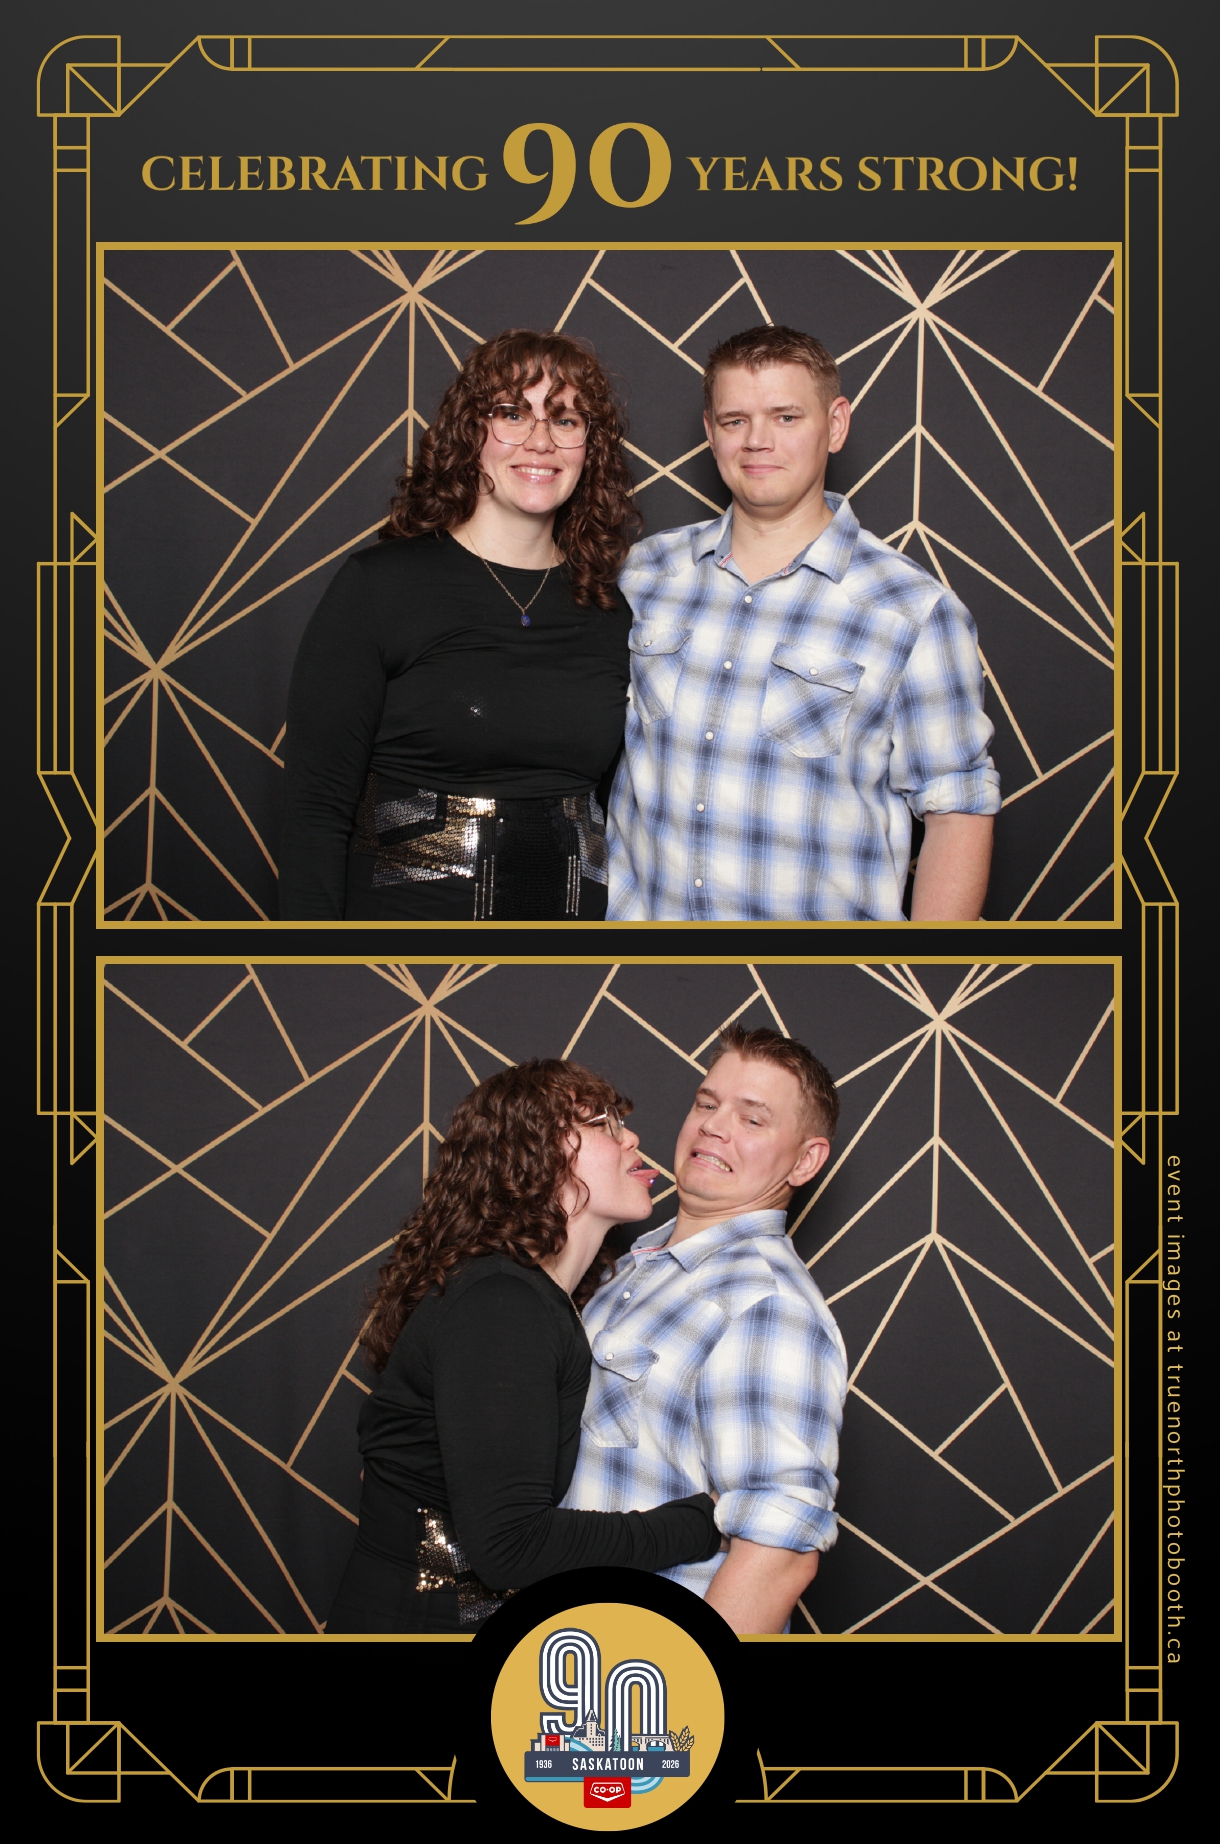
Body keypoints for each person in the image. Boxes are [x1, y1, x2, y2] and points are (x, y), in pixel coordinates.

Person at [606, 323, 1001, 921]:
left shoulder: (912, 609)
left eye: (786, 417)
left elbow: (957, 810)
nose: (756, 441)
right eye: (734, 420)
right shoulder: (645, 573)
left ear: (835, 425)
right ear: (710, 432)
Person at [325, 1060, 721, 1634]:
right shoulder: (502, 1304)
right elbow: (510, 1546)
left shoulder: (527, 1299)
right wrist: (704, 1522)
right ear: (538, 1154)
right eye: (604, 1125)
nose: (631, 1138)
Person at [279, 329, 640, 920]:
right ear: (471, 430)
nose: (541, 440)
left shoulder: (609, 610)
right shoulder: (380, 587)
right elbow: (315, 811)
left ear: (589, 447)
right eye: (512, 414)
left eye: (565, 420)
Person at [560, 1024, 849, 1635]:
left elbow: (779, 1554)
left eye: (753, 1118)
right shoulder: (628, 1266)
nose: (715, 1126)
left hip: (639, 1665)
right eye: (707, 1103)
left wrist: (677, 1687)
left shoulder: (765, 1303)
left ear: (805, 1160)